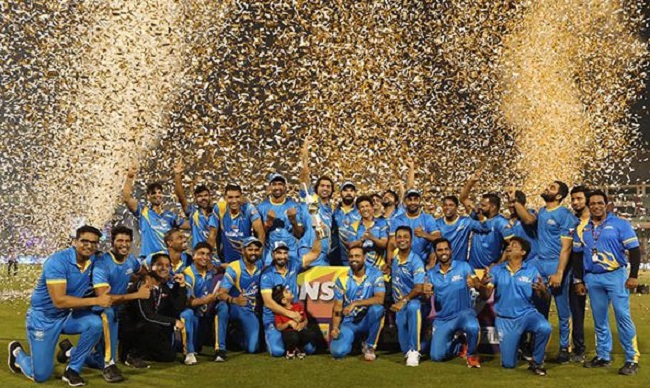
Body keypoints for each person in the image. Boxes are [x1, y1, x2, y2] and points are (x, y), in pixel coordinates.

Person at [8, 226, 113, 386]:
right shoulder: (57, 261)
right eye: (84, 241)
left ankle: (72, 370)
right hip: (43, 318)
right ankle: (18, 353)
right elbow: (59, 301)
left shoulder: (93, 261)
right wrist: (96, 301)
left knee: (95, 324)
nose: (89, 246)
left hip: (65, 316)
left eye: (94, 242)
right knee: (41, 375)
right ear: (74, 242)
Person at [57, 226, 149, 382]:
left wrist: (146, 281)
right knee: (108, 314)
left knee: (98, 359)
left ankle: (69, 352)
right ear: (112, 242)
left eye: (127, 241)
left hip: (116, 309)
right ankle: (109, 365)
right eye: (120, 240)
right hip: (96, 309)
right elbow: (103, 298)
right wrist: (137, 294)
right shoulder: (102, 264)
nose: (124, 244)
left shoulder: (131, 260)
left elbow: (142, 272)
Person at [572, 190, 641, 375]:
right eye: (592, 203)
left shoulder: (620, 224)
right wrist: (578, 280)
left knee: (622, 316)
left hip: (615, 275)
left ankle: (632, 358)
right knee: (599, 318)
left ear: (606, 204)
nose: (596, 206)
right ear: (589, 205)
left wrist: (633, 275)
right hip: (592, 277)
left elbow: (634, 250)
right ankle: (603, 356)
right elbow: (577, 256)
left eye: (599, 203)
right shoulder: (583, 228)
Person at [511, 180, 575, 363]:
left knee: (563, 310)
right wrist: (515, 199)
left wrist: (560, 272)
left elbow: (566, 248)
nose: (547, 188)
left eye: (552, 188)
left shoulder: (565, 215)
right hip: (540, 265)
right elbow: (527, 219)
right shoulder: (542, 212)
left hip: (556, 266)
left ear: (559, 196)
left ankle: (564, 348)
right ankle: (538, 348)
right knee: (539, 310)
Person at [474, 237, 552, 376]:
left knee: (545, 327)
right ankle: (516, 348)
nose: (509, 247)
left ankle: (537, 362)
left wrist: (543, 290)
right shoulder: (497, 270)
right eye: (508, 245)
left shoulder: (532, 270)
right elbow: (486, 295)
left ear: (523, 252)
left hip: (527, 314)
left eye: (514, 245)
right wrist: (480, 286)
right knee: (508, 365)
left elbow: (545, 298)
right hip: (506, 319)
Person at [118, 252, 187, 364]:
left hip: (150, 330)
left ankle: (143, 353)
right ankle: (130, 355)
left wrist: (181, 286)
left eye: (167, 265)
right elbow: (146, 316)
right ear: (151, 267)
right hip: (132, 329)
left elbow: (177, 308)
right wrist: (173, 321)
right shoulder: (143, 286)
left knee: (169, 356)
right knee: (149, 324)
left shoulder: (163, 288)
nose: (164, 268)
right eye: (159, 265)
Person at [260, 239, 322, 358]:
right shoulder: (267, 275)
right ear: (272, 254)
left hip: (295, 317)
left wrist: (318, 237)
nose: (282, 256)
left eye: (285, 253)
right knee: (277, 351)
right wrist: (290, 315)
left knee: (310, 349)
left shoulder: (294, 263)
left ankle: (293, 344)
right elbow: (268, 303)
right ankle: (274, 339)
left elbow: (315, 253)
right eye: (279, 253)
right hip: (273, 319)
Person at [425, 238, 481, 368]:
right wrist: (426, 292)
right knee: (436, 357)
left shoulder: (463, 267)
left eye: (446, 249)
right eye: (439, 250)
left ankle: (471, 355)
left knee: (473, 327)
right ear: (435, 253)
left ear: (451, 250)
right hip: (443, 318)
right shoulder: (431, 274)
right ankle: (459, 345)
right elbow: (427, 295)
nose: (443, 252)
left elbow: (477, 283)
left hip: (463, 313)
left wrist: (475, 283)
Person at [330, 246, 386, 361]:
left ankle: (369, 346)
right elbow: (337, 307)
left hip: (367, 320)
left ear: (364, 257)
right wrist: (335, 328)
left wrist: (356, 303)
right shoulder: (341, 278)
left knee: (378, 309)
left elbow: (380, 299)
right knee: (337, 352)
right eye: (351, 256)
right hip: (349, 322)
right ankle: (355, 342)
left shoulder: (375, 274)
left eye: (357, 256)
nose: (353, 259)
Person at [214, 237, 264, 361]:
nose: (253, 252)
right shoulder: (234, 267)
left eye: (256, 250)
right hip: (235, 306)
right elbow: (221, 294)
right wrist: (234, 300)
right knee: (222, 308)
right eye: (250, 249)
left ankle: (233, 335)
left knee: (252, 348)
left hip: (249, 310)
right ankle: (220, 349)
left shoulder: (262, 265)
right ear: (243, 251)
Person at [122, 166, 187, 258]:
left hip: (166, 260)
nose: (157, 195)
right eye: (154, 193)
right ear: (148, 196)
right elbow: (126, 198)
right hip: (148, 259)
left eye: (159, 192)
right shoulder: (143, 213)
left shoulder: (170, 216)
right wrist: (129, 177)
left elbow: (189, 225)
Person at [459, 171, 513, 269]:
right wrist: (471, 182)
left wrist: (499, 264)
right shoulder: (476, 216)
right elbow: (463, 198)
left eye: (483, 205)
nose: (479, 207)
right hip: (472, 268)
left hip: (490, 271)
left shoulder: (501, 222)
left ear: (492, 207)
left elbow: (513, 245)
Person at [390, 226, 425, 367]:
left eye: (405, 237)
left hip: (414, 302)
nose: (402, 239)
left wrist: (403, 301)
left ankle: (414, 351)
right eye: (399, 236)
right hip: (399, 303)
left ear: (411, 240)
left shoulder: (416, 261)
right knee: (401, 329)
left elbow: (418, 288)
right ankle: (414, 348)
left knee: (413, 308)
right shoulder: (394, 256)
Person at [208, 183, 265, 266]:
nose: (234, 201)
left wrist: (258, 255)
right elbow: (212, 235)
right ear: (225, 197)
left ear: (241, 196)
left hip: (246, 260)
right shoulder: (219, 208)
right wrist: (208, 258)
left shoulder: (249, 208)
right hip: (225, 260)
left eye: (237, 197)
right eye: (230, 197)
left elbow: (261, 234)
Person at [179, 242, 217, 365]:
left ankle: (220, 350)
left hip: (205, 316)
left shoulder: (211, 270)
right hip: (194, 315)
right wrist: (206, 300)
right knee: (187, 313)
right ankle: (188, 353)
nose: (204, 257)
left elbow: (223, 268)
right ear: (193, 256)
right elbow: (189, 302)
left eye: (207, 255)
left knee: (222, 307)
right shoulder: (188, 274)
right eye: (201, 254)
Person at [257, 173, 306, 266]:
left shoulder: (294, 206)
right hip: (270, 254)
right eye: (274, 184)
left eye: (280, 184)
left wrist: (293, 221)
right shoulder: (261, 207)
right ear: (269, 187)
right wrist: (268, 223)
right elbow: (259, 236)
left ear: (285, 187)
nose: (277, 187)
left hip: (291, 253)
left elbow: (299, 235)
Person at [567, 185, 590, 362]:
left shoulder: (597, 222)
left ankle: (604, 351)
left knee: (601, 314)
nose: (575, 202)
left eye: (579, 198)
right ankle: (578, 349)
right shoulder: (571, 222)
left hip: (597, 274)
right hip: (576, 275)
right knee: (577, 312)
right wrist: (577, 278)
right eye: (573, 199)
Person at [388, 189, 440, 266]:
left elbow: (438, 238)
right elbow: (391, 243)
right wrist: (389, 264)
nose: (412, 202)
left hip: (423, 264)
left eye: (415, 199)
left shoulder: (428, 218)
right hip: (402, 264)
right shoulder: (397, 220)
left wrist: (424, 235)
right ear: (405, 202)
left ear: (420, 201)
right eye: (410, 200)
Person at [435, 195, 489, 263]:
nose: (447, 207)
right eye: (445, 205)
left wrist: (479, 214)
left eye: (451, 205)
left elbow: (485, 228)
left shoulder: (466, 222)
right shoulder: (436, 223)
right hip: (441, 265)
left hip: (460, 266)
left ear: (456, 207)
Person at [271, 285, 318, 359]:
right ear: (284, 300)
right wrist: (289, 323)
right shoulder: (279, 312)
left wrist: (302, 324)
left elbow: (305, 320)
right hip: (288, 333)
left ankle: (299, 347)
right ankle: (290, 350)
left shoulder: (298, 306)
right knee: (293, 337)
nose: (290, 291)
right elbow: (279, 327)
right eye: (286, 292)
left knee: (310, 334)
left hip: (299, 330)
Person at [173, 161, 214, 245]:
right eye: (200, 196)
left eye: (206, 195)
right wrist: (177, 175)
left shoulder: (217, 213)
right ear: (195, 199)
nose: (203, 198)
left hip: (216, 257)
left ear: (210, 197)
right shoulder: (193, 212)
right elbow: (181, 196)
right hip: (198, 256)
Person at [346, 195, 389, 268]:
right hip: (360, 267)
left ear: (372, 208)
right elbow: (351, 245)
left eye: (367, 206)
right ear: (359, 211)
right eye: (362, 207)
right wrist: (362, 240)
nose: (365, 209)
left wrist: (372, 238)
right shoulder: (353, 226)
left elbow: (384, 244)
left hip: (379, 266)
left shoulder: (382, 223)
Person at [332, 181, 361, 266]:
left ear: (355, 193)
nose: (349, 193)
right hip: (337, 259)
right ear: (340, 193)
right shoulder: (333, 213)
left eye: (351, 190)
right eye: (345, 190)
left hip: (357, 257)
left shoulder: (361, 212)